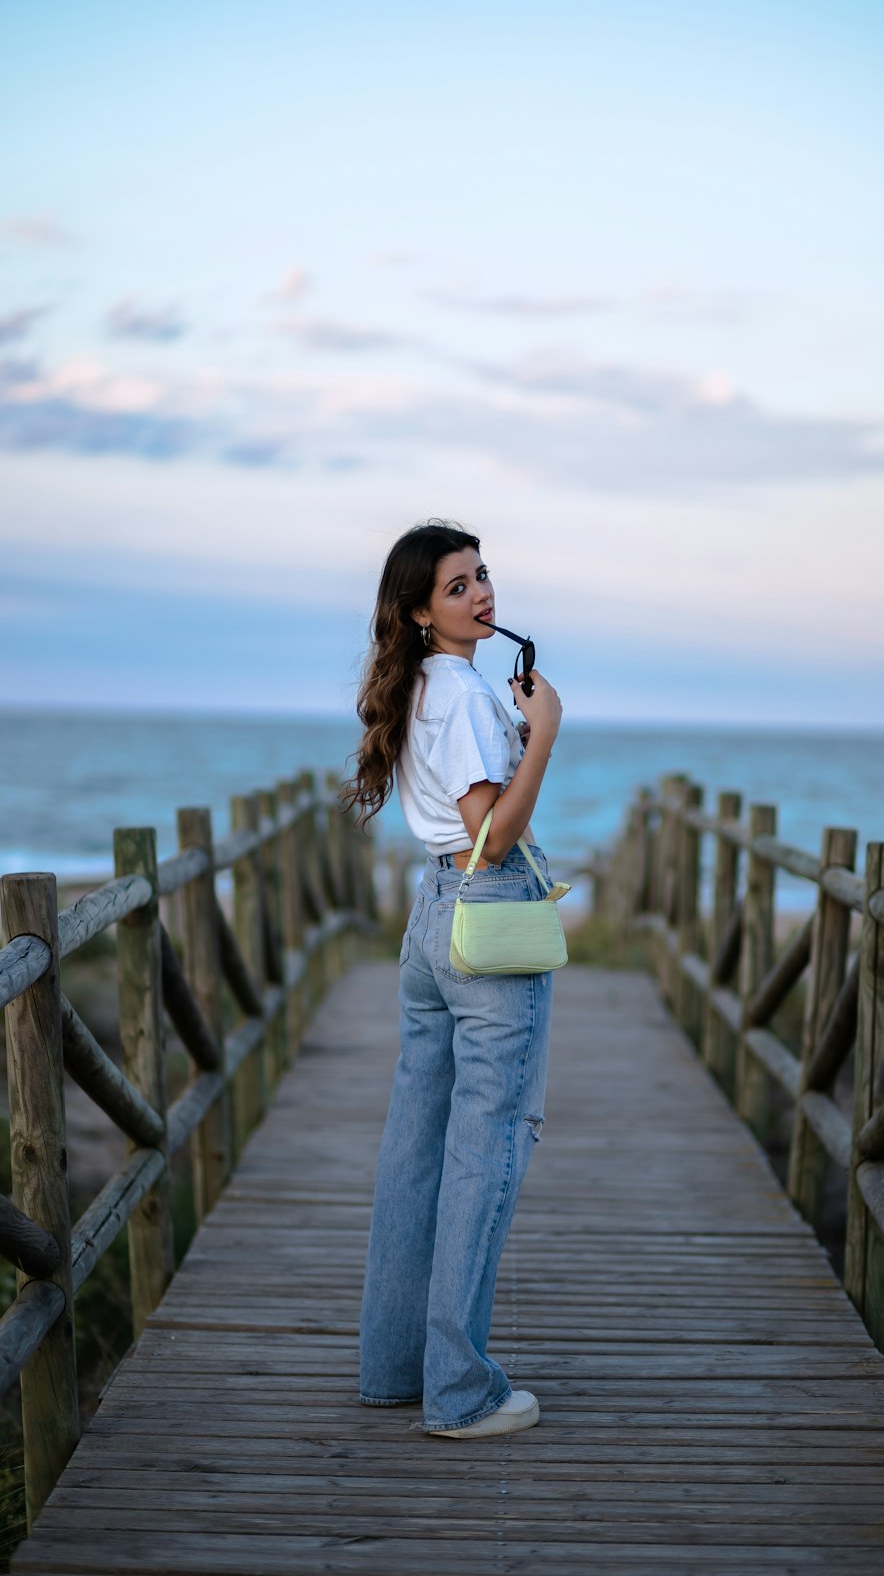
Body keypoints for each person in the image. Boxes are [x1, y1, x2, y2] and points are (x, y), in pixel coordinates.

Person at [343, 519, 563, 1439]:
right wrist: (543, 731)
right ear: (423, 613)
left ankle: (396, 1368)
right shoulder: (464, 695)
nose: (482, 594)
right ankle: (461, 1392)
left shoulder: (422, 690)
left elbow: (452, 824)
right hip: (487, 915)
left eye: (482, 576)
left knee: (418, 1146)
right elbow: (492, 834)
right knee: (488, 1144)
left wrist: (510, 724)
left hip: (434, 919)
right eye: (459, 585)